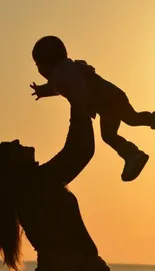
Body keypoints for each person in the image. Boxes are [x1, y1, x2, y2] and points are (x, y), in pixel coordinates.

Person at [0, 106, 116, 271]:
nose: (16, 141)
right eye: (9, 148)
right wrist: (78, 101)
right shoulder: (37, 184)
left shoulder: (35, 186)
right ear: (12, 167)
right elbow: (79, 151)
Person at [30, 35, 155, 182]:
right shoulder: (65, 71)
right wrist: (42, 91)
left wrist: (79, 106)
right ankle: (133, 154)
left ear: (46, 63)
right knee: (125, 123)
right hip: (109, 101)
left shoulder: (63, 72)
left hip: (109, 99)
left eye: (38, 65)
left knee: (127, 122)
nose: (39, 70)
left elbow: (76, 85)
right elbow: (57, 87)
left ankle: (133, 154)